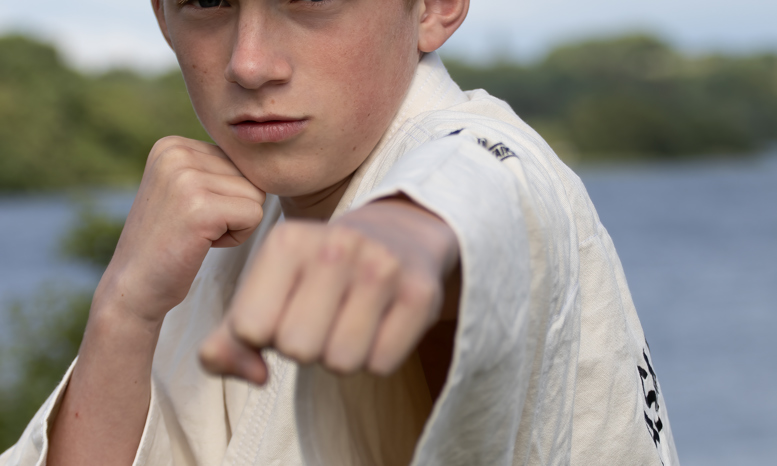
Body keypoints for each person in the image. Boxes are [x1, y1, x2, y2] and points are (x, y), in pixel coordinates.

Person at [1, 0, 680, 464]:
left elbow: (481, 186)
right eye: (207, 1)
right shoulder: (228, 230)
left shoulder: (488, 158)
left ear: (436, 6)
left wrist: (404, 234)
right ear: (161, 17)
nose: (249, 63)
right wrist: (124, 308)